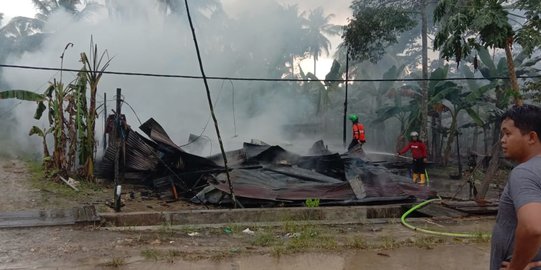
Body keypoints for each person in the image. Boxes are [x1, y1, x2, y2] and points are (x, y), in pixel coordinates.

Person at [490, 104, 541, 270]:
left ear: (531, 137)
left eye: (508, 133)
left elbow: (532, 228)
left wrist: (515, 268)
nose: (502, 140)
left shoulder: (524, 173)